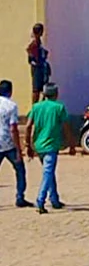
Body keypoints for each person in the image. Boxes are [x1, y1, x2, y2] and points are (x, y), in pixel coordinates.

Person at [25, 83, 75, 213]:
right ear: (56, 94)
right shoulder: (59, 107)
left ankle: (54, 199)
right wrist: (71, 144)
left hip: (39, 144)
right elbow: (66, 127)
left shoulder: (36, 107)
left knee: (49, 171)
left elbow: (28, 126)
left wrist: (28, 144)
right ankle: (40, 200)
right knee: (48, 172)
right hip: (52, 144)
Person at [0, 80, 29, 208]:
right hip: (8, 142)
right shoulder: (11, 106)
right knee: (19, 170)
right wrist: (19, 148)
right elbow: (13, 128)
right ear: (10, 91)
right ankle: (20, 197)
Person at [26, 23, 49, 105]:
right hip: (37, 69)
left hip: (41, 68)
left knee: (43, 89)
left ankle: (40, 106)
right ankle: (34, 108)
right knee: (36, 90)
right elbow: (31, 55)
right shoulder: (34, 44)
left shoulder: (39, 43)